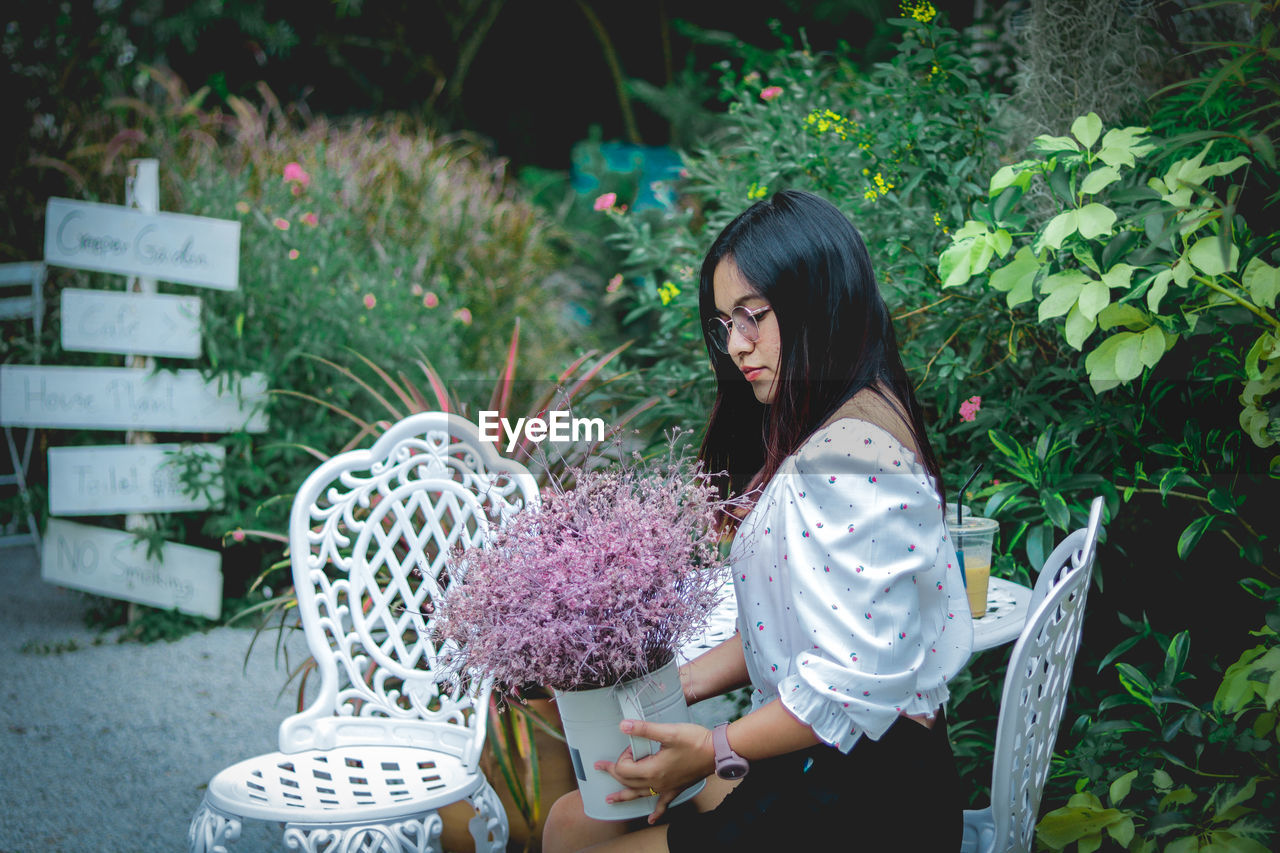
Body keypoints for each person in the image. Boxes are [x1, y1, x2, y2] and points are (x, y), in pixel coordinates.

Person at [543, 189, 975, 852]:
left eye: (756, 316)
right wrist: (673, 685)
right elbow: (803, 626)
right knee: (571, 823)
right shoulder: (849, 419)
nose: (737, 345)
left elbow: (850, 678)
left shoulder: (846, 456)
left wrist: (712, 746)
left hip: (863, 802)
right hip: (840, 770)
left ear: (818, 303)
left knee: (581, 836)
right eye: (725, 323)